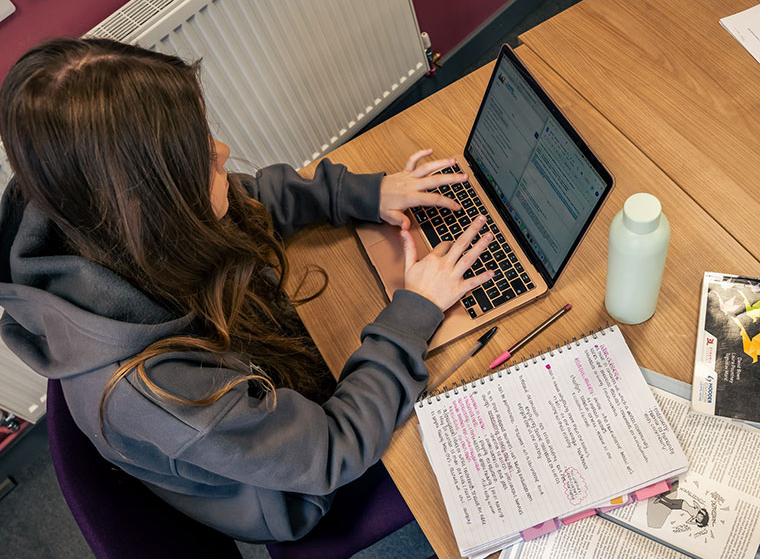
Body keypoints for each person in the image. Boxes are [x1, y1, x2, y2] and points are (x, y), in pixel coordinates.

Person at [0, 38, 494, 541]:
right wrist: (414, 314)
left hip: (265, 384)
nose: (223, 152)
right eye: (199, 156)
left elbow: (245, 201)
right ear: (149, 205)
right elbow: (332, 450)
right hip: (298, 485)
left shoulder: (100, 212)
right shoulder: (153, 390)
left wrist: (361, 193)